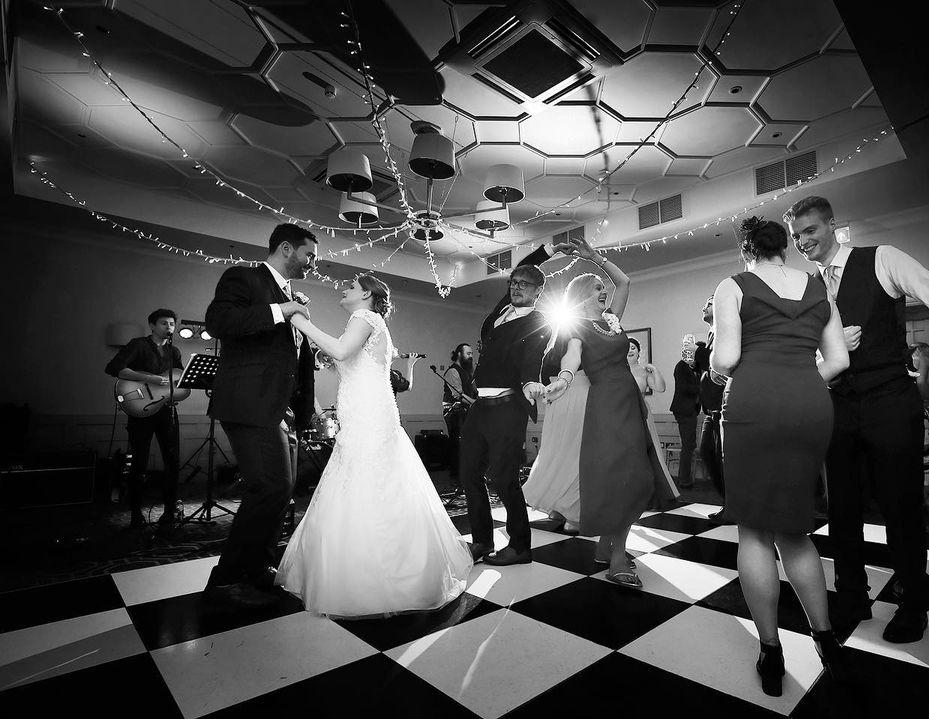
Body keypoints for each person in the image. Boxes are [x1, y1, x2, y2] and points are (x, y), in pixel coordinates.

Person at [277, 274, 473, 617]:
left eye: (350, 287)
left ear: (366, 294)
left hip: (368, 413)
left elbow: (339, 349)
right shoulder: (370, 322)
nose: (344, 289)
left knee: (367, 479)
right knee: (367, 478)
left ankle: (372, 575)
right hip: (365, 410)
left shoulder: (363, 318)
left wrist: (298, 319)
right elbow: (346, 360)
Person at [711, 216, 850, 697]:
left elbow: (726, 360)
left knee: (754, 529)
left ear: (746, 248)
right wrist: (802, 378)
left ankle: (771, 651)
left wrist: (713, 357)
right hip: (811, 404)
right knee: (795, 529)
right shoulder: (818, 288)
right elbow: (839, 361)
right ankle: (827, 641)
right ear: (785, 247)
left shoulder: (734, 285)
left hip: (754, 404)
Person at [786, 194, 929, 643]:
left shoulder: (881, 258)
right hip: (837, 406)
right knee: (842, 508)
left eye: (810, 230)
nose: (803, 242)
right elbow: (801, 352)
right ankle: (852, 596)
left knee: (901, 506)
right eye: (796, 237)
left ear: (832, 225)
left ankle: (914, 603)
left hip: (889, 400)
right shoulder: (807, 289)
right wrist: (827, 349)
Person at [203, 223, 318, 610]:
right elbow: (218, 322)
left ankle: (259, 568)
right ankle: (227, 581)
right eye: (309, 255)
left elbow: (291, 361)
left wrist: (304, 411)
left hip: (279, 409)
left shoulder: (290, 295)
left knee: (281, 491)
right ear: (287, 249)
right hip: (248, 403)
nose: (313, 263)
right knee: (269, 488)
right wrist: (281, 310)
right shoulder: (244, 278)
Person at [544, 239, 664, 588]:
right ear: (582, 295)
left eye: (601, 287)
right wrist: (564, 379)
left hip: (630, 403)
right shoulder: (577, 329)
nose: (602, 290)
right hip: (606, 407)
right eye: (595, 287)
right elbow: (572, 358)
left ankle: (607, 544)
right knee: (620, 478)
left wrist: (595, 258)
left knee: (637, 476)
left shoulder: (612, 320)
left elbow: (624, 282)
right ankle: (615, 557)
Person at [461, 240, 572, 566]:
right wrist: (550, 250)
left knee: (503, 478)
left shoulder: (538, 321)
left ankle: (520, 546)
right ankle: (482, 541)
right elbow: (524, 264)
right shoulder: (502, 310)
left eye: (524, 284)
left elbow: (531, 358)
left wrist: (528, 382)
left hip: (508, 407)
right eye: (513, 283)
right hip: (479, 407)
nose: (516, 287)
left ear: (538, 291)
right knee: (469, 474)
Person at [105, 309, 183, 529]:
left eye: (172, 324)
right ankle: (136, 513)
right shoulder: (138, 344)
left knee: (172, 461)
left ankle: (169, 512)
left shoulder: (174, 351)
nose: (169, 327)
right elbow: (114, 368)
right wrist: (149, 378)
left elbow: (180, 381)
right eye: (164, 323)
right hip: (140, 411)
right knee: (139, 461)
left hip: (166, 410)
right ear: (151, 325)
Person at [628, 337, 680, 507]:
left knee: (646, 452)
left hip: (641, 414)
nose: (630, 350)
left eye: (634, 347)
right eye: (627, 347)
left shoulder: (643, 371)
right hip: (621, 414)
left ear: (638, 352)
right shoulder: (616, 371)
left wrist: (655, 371)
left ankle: (648, 495)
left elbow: (660, 388)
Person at [694, 296, 727, 520]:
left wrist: (700, 355)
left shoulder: (725, 330)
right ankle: (729, 502)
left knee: (722, 458)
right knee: (707, 452)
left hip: (723, 407)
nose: (703, 306)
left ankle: (733, 506)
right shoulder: (711, 334)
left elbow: (722, 364)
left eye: (708, 302)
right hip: (710, 408)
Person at [442, 344, 477, 488]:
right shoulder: (452, 372)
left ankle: (469, 475)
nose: (471, 356)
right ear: (459, 355)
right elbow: (458, 395)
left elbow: (474, 390)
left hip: (467, 411)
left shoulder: (467, 371)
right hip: (455, 412)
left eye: (471, 353)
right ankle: (457, 478)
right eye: (468, 353)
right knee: (458, 444)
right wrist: (476, 403)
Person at [670, 342, 700, 489]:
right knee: (688, 445)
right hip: (684, 410)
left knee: (689, 445)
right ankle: (684, 480)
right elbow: (685, 388)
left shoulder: (694, 368)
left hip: (690, 410)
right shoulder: (681, 366)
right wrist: (701, 386)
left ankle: (685, 478)